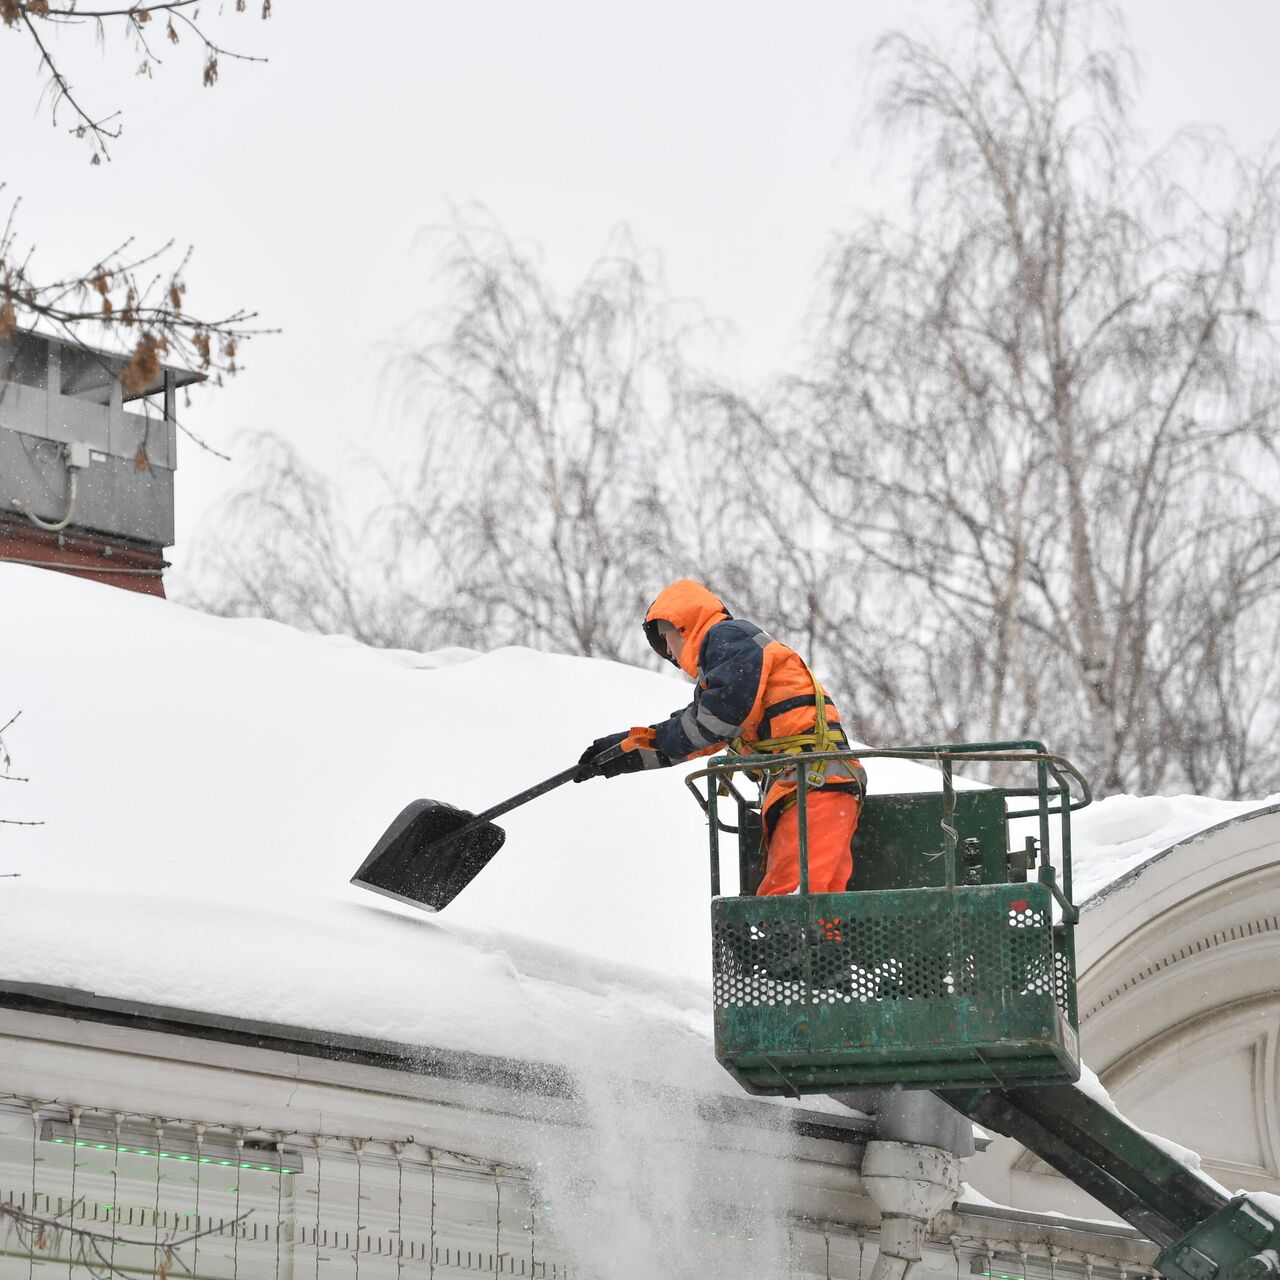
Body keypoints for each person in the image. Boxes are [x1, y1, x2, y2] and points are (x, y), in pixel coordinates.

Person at [576, 579, 865, 895]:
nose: (667, 651)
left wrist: (632, 749)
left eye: (665, 639)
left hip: (814, 785)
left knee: (790, 903)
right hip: (813, 786)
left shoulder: (727, 639)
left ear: (681, 624)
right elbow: (698, 734)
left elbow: (713, 722)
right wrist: (621, 752)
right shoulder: (731, 664)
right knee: (816, 908)